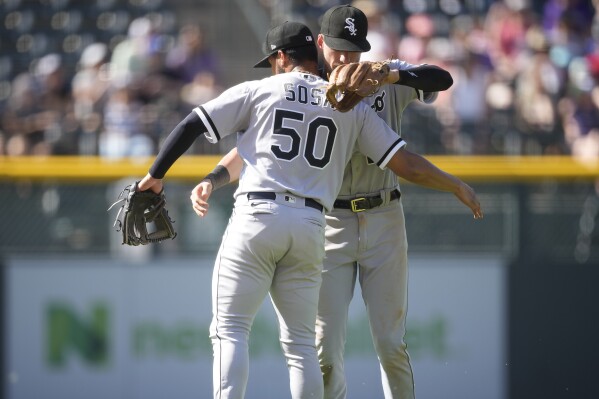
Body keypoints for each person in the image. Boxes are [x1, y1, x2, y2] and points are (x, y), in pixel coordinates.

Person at [139, 20, 481, 399]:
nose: (347, 56)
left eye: (355, 48)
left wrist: (156, 175)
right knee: (308, 348)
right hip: (318, 222)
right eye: (339, 47)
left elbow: (197, 125)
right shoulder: (342, 104)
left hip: (286, 214)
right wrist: (454, 183)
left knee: (234, 328)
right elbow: (404, 161)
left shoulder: (272, 89)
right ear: (318, 46)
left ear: (281, 57)